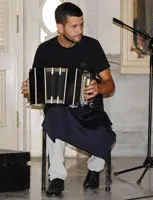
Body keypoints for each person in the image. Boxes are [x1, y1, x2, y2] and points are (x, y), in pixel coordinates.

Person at [21, 2, 116, 197]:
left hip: (88, 108)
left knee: (105, 132)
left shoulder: (92, 46)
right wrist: (29, 89)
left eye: (81, 24)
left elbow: (110, 84)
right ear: (60, 27)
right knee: (54, 115)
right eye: (74, 26)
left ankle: (94, 169)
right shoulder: (45, 50)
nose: (79, 30)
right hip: (61, 110)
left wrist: (98, 88)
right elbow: (36, 88)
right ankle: (56, 177)